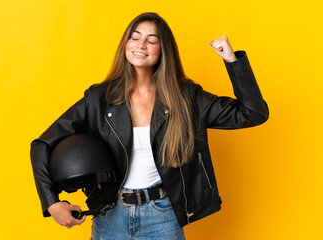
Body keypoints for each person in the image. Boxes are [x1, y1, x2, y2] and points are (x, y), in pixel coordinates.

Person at [30, 12, 269, 239]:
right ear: (126, 44)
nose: (141, 44)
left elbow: (253, 113)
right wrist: (51, 202)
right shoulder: (98, 99)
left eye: (151, 40)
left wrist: (232, 60)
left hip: (163, 216)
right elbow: (42, 144)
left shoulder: (186, 97)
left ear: (163, 51)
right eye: (134, 38)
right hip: (110, 216)